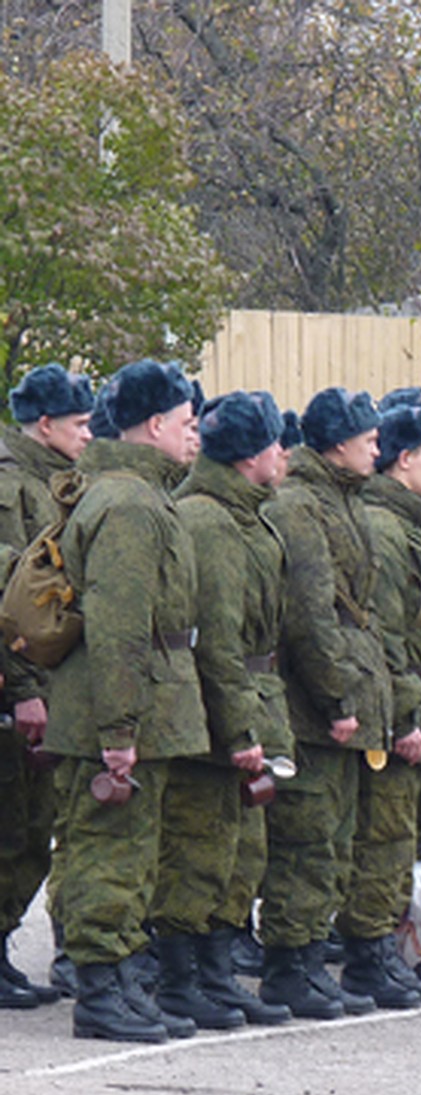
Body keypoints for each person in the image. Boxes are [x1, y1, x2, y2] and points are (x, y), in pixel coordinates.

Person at [44, 359, 210, 1043]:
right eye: (186, 422)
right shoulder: (130, 505)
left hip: (138, 707)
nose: (196, 435)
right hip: (113, 711)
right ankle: (101, 991)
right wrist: (118, 728)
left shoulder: (138, 496)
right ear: (154, 425)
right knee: (107, 852)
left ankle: (118, 980)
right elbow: (118, 626)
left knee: (130, 850)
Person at [155, 390, 294, 1028]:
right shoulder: (210, 520)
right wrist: (239, 728)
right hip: (220, 711)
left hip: (250, 698)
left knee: (238, 851)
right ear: (249, 455)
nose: (283, 454)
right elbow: (218, 636)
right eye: (274, 443)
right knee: (199, 850)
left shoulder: (243, 513)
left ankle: (213, 971)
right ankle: (182, 979)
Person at [258, 386, 391, 1019]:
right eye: (368, 440)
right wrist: (338, 696)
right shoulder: (302, 506)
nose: (378, 450)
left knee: (334, 841)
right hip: (312, 710)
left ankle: (308, 961)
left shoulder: (341, 501)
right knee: (305, 842)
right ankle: (289, 966)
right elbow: (310, 616)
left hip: (340, 703)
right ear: (337, 444)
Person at [337, 398, 421, 1007]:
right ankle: (366, 954)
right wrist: (409, 709)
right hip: (390, 704)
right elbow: (383, 633)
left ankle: (381, 948)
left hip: (411, 698)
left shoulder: (411, 523)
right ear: (402, 460)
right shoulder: (384, 528)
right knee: (381, 835)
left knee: (394, 834)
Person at [0, 364, 93, 1008]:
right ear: (45, 424)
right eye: (79, 424)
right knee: (15, 825)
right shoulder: (12, 486)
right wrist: (24, 688)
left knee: (35, 827)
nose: (89, 435)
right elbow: (12, 602)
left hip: (48, 677)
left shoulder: (54, 480)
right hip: (22, 677)